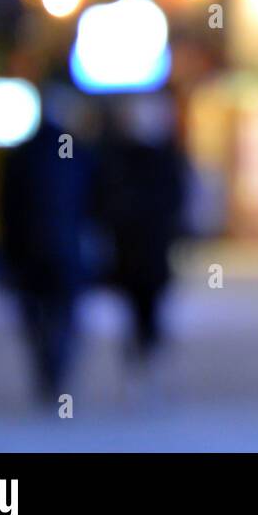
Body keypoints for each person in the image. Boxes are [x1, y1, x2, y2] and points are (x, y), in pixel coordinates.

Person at [0, 84, 93, 406]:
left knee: (36, 315)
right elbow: (93, 205)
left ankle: (46, 367)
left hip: (29, 252)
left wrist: (8, 250)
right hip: (65, 251)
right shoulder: (79, 154)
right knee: (63, 314)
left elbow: (5, 208)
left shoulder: (23, 153)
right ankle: (55, 369)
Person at [93, 93, 187, 394]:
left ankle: (147, 358)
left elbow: (177, 202)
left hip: (151, 251)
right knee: (135, 308)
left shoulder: (164, 158)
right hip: (131, 250)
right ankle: (140, 360)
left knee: (150, 308)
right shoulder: (118, 157)